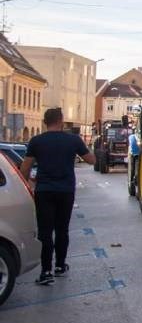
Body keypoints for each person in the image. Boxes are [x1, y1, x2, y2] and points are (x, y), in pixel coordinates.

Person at [20, 108, 95, 286]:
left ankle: (46, 271)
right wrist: (87, 147)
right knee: (62, 229)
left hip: (44, 191)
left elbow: (25, 168)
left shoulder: (36, 141)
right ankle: (60, 266)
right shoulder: (73, 140)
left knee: (45, 231)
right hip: (66, 191)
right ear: (61, 121)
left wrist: (29, 183)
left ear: (45, 122)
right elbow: (91, 160)